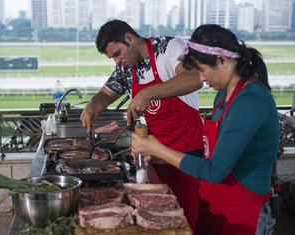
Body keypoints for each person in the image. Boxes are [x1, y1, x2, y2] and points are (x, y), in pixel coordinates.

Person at [131, 24, 279, 235]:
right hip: (216, 207)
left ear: (222, 61)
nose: (200, 78)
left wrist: (158, 149)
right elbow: (213, 153)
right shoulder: (224, 93)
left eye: (201, 69)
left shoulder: (251, 100)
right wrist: (158, 157)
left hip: (244, 214)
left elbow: (215, 171)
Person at [80, 19, 203, 231]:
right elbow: (103, 95)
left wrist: (148, 92)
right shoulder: (126, 68)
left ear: (130, 38)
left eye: (118, 53)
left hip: (185, 157)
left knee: (183, 221)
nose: (117, 61)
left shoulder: (168, 48)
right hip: (153, 157)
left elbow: (195, 77)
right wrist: (93, 105)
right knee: (155, 222)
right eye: (113, 58)